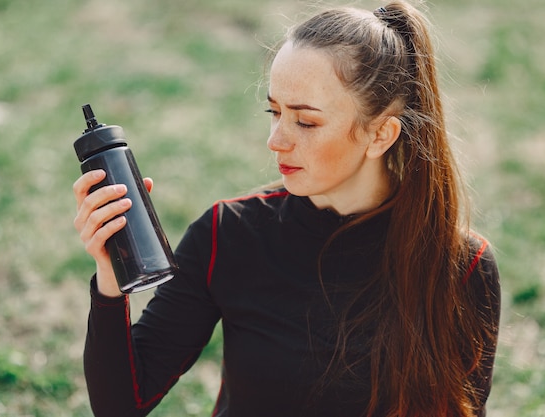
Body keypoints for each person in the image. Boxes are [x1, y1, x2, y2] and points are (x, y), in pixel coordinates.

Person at [72, 2, 500, 417]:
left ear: (381, 135)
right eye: (273, 112)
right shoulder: (229, 234)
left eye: (306, 122)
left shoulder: (462, 266)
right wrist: (111, 277)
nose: (276, 140)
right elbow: (121, 405)